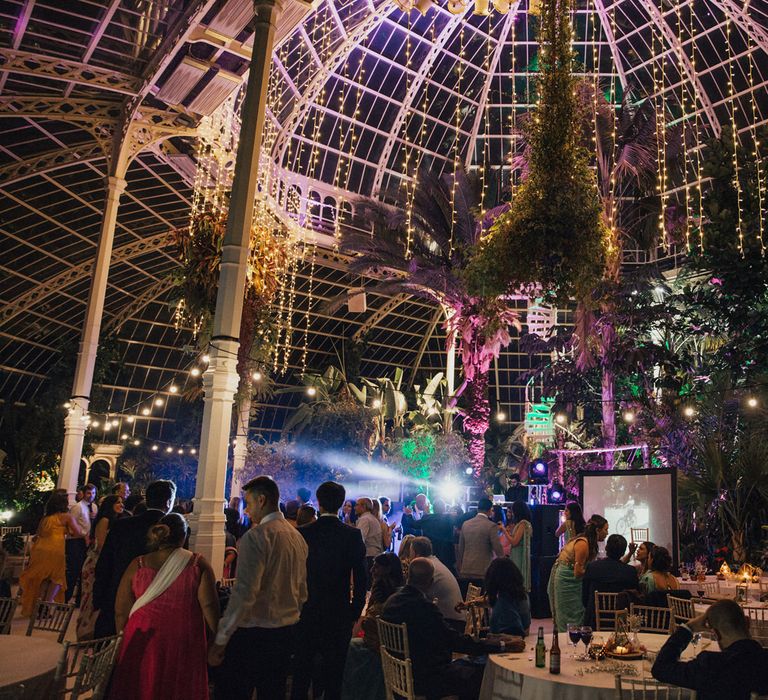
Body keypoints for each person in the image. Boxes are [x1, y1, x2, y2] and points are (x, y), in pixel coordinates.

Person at [208, 476, 308, 700]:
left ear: (261, 500)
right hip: (284, 633)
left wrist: (221, 638)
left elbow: (244, 594)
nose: (246, 511)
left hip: (253, 634)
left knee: (232, 691)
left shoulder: (257, 537)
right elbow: (301, 590)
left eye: (249, 504)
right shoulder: (297, 538)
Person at [109, 513, 220, 700]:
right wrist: (214, 638)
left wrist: (124, 637)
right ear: (183, 536)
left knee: (141, 685)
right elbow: (209, 605)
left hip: (141, 636)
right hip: (183, 638)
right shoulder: (196, 564)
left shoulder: (139, 564)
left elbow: (121, 610)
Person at [382, 558, 523, 700]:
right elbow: (455, 640)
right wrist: (500, 645)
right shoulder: (424, 607)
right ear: (431, 582)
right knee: (483, 674)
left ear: (408, 577)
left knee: (466, 665)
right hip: (425, 680)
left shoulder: (390, 602)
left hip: (400, 677)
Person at [290, 481, 367, 700]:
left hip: (307, 610)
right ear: (341, 503)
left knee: (301, 672)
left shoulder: (304, 533)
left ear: (319, 502)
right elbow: (362, 578)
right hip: (338, 613)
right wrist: (354, 611)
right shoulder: (351, 535)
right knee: (334, 675)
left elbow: (294, 574)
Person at [92, 480, 176, 639]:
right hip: (153, 603)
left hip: (115, 596)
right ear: (168, 502)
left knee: (107, 651)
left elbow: (104, 564)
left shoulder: (122, 525)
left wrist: (99, 598)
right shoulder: (172, 530)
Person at [652, 599, 768, 699]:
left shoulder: (711, 664)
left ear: (716, 634)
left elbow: (660, 668)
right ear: (747, 622)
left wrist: (688, 628)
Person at [20, 491, 87, 615]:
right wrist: (85, 534)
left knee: (43, 577)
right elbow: (77, 532)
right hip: (55, 549)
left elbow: (38, 534)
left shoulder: (45, 518)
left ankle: (39, 604)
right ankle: (46, 604)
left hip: (39, 549)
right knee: (56, 578)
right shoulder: (67, 517)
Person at [547, 514, 609, 631]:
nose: (607, 533)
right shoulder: (583, 543)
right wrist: (593, 572)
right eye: (605, 529)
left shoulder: (588, 542)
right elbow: (578, 572)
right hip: (566, 580)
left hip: (572, 579)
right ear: (597, 530)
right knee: (569, 611)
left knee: (577, 610)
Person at [76, 494, 124, 640]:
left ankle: (93, 630)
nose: (122, 505)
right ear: (110, 505)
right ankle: (84, 631)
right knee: (90, 596)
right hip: (95, 562)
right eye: (118, 502)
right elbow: (102, 545)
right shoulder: (105, 520)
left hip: (103, 561)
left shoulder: (115, 521)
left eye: (122, 502)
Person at [581, 534, 640, 628]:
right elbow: (634, 598)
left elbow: (584, 598)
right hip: (622, 621)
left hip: (593, 620)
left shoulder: (593, 567)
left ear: (606, 548)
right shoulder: (630, 572)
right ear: (623, 552)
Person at [410, 536, 466, 632]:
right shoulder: (434, 562)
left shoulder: (427, 567)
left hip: (451, 624)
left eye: (410, 552)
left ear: (416, 553)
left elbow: (414, 594)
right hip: (456, 618)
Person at [457, 498, 504, 596]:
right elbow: (498, 549)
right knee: (482, 602)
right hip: (483, 570)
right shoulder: (491, 526)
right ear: (489, 510)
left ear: (478, 509)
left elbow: (461, 548)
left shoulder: (466, 524)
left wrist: (460, 566)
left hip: (466, 569)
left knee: (468, 600)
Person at [66, 482, 97, 603]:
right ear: (83, 494)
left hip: (89, 541)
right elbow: (71, 527)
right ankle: (66, 599)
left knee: (84, 572)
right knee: (74, 570)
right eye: (89, 493)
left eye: (93, 493)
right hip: (77, 541)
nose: (91, 495)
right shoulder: (78, 507)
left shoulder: (94, 507)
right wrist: (83, 535)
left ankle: (80, 599)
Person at [485, 558, 531, 637]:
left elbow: (507, 634)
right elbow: (526, 626)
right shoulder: (522, 595)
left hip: (505, 645)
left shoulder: (504, 605)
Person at [418, 500, 457, 573]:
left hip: (430, 553)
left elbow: (413, 524)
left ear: (433, 508)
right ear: (444, 508)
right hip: (447, 555)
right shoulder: (449, 518)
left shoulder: (426, 518)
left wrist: (409, 515)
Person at [501, 501, 533, 591]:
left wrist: (504, 531)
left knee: (516, 578)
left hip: (518, 555)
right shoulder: (523, 523)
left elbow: (514, 542)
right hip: (516, 553)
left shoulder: (523, 524)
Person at [356, 497, 384, 582]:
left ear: (363, 507)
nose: (355, 507)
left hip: (368, 557)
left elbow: (360, 539)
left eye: (357, 505)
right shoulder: (372, 518)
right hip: (374, 555)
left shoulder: (365, 519)